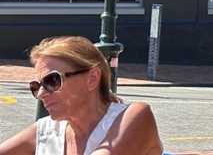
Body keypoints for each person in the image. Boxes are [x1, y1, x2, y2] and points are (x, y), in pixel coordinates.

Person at [0, 36, 162, 155]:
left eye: (52, 80)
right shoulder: (47, 129)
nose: (41, 94)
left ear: (92, 78)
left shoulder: (134, 116)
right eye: (36, 86)